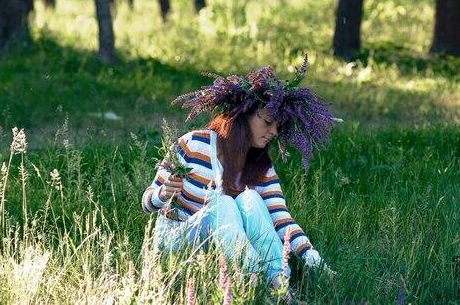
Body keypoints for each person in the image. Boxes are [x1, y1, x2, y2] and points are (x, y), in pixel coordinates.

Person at [141, 56, 337, 303]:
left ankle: (280, 286)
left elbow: (281, 218)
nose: (274, 132)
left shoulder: (261, 165)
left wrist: (314, 259)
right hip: (177, 242)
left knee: (251, 198)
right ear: (243, 115)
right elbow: (147, 203)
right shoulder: (193, 144)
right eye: (267, 122)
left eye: (278, 126)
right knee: (223, 205)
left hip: (223, 246)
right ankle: (256, 279)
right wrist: (162, 194)